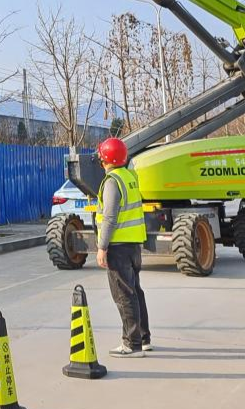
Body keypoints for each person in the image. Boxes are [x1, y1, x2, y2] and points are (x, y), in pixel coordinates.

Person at [95, 136, 151, 357]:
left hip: (117, 247)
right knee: (135, 292)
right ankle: (144, 339)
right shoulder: (129, 177)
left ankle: (131, 344)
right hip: (133, 244)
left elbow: (109, 217)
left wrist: (102, 247)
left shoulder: (112, 181)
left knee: (124, 296)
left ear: (105, 159)